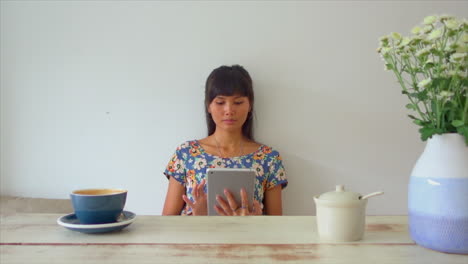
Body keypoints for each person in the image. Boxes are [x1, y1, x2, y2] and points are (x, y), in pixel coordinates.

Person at [162, 65, 288, 216]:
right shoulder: (186, 153)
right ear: (208, 106)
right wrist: (197, 219)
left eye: (238, 102)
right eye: (220, 102)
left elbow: (278, 227)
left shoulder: (269, 158)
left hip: (248, 239)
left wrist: (257, 222)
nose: (229, 110)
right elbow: (167, 223)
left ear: (250, 105)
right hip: (196, 238)